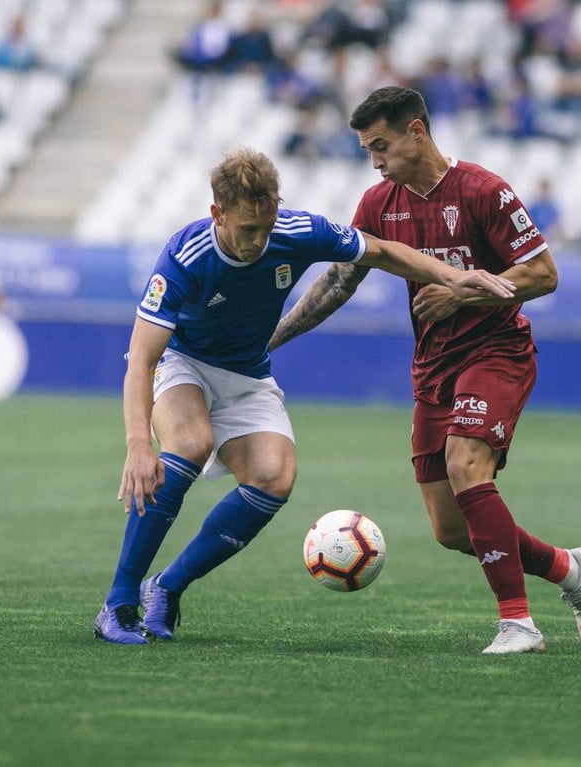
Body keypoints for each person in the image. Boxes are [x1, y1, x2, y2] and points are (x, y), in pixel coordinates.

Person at [95, 147, 516, 645]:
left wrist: (452, 276)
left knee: (274, 477)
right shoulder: (186, 256)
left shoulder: (295, 231)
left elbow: (380, 250)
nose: (259, 240)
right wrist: (137, 446)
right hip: (181, 362)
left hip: (246, 372)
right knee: (189, 444)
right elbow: (141, 359)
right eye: (247, 229)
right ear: (217, 214)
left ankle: (165, 587)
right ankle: (118, 605)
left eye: (267, 226)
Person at [270, 87, 581, 655]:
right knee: (452, 530)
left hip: (496, 352)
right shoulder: (378, 204)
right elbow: (337, 281)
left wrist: (461, 295)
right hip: (433, 368)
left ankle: (517, 624)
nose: (374, 160)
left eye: (381, 145)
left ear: (416, 132)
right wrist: (270, 340)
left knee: (466, 465)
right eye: (366, 150)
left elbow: (544, 275)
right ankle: (567, 569)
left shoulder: (483, 191)